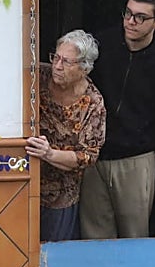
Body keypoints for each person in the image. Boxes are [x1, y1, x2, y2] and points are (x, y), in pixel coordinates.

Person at [80, 0, 155, 239]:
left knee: (135, 234)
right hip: (95, 156)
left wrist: (144, 140)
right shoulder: (105, 44)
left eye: (140, 17)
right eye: (128, 13)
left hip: (136, 160)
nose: (130, 22)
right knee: (93, 235)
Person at [26, 30, 107, 242]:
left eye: (66, 62)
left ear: (84, 68)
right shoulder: (37, 78)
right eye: (56, 58)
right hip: (24, 183)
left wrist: (49, 154)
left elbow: (87, 156)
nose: (57, 66)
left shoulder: (92, 103)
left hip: (60, 196)